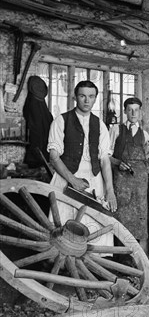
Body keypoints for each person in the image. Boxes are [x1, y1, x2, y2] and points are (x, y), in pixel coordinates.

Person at [47, 80, 116, 247]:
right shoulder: (61, 121)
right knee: (63, 222)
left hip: (93, 179)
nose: (87, 100)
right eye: (83, 96)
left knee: (93, 223)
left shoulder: (100, 125)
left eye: (91, 96)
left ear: (95, 99)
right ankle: (61, 263)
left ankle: (92, 264)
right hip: (66, 176)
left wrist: (110, 190)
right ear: (75, 97)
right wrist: (72, 179)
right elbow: (54, 157)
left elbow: (104, 160)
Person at [109, 97, 149, 252]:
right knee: (120, 218)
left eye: (137, 110)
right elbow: (106, 156)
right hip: (121, 183)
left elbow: (146, 160)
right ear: (125, 111)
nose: (133, 113)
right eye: (130, 109)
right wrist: (117, 163)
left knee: (139, 218)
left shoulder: (144, 135)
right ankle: (120, 255)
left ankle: (137, 256)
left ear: (140, 112)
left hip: (139, 184)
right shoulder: (115, 130)